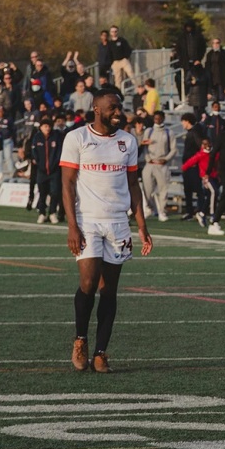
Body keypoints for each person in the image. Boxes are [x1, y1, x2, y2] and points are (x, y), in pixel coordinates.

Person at [62, 91, 154, 373]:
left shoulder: (127, 141)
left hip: (118, 223)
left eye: (120, 107)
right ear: (97, 110)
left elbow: (133, 185)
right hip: (87, 220)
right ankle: (80, 340)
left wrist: (141, 226)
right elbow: (66, 183)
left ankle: (101, 352)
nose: (118, 112)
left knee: (109, 289)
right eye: (112, 108)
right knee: (88, 282)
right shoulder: (77, 138)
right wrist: (72, 226)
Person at [139, 110, 174, 223]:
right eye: (155, 118)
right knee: (147, 190)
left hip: (162, 165)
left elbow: (173, 149)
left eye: (159, 118)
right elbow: (144, 146)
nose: (157, 120)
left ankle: (162, 211)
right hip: (150, 164)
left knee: (163, 190)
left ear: (163, 118)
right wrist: (148, 158)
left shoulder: (169, 132)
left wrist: (166, 158)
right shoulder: (149, 131)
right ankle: (150, 208)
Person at [29, 116, 63, 224]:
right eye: (45, 126)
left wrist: (56, 164)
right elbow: (34, 152)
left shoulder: (56, 137)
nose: (47, 128)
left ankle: (52, 213)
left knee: (55, 192)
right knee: (42, 193)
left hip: (54, 171)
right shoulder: (37, 137)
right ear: (41, 127)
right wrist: (38, 162)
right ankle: (42, 213)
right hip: (41, 171)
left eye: (49, 126)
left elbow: (59, 152)